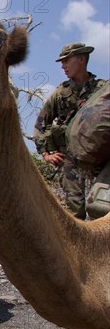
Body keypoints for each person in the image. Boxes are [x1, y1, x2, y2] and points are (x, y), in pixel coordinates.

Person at [33, 43, 107, 219]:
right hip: (71, 158)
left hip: (101, 158)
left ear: (81, 59)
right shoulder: (61, 93)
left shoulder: (102, 90)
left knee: (102, 207)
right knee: (75, 211)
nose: (63, 66)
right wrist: (46, 154)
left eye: (66, 61)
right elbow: (40, 125)